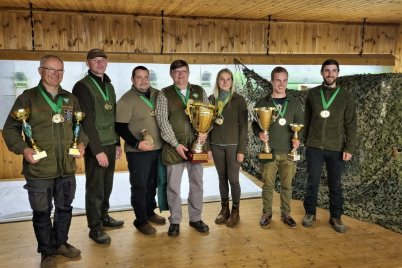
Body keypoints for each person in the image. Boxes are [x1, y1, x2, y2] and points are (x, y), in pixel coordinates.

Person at [3, 55, 87, 268]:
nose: (55, 74)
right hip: (39, 169)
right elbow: (11, 129)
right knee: (41, 212)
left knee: (65, 209)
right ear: (40, 71)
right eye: (50, 69)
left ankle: (60, 244)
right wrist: (24, 149)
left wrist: (83, 143)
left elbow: (79, 128)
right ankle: (47, 251)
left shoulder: (70, 99)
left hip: (66, 168)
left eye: (60, 70)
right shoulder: (27, 98)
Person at [72, 48, 123, 244]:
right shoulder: (82, 86)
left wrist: (117, 142)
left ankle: (104, 217)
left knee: (107, 185)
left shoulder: (108, 85)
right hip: (96, 145)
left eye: (103, 60)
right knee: (94, 188)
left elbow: (113, 115)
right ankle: (95, 228)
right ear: (88, 63)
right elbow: (87, 121)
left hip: (110, 141)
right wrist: (98, 150)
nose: (100, 63)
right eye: (95, 60)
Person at [156, 60, 209, 237]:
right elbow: (162, 121)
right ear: (171, 74)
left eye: (184, 71)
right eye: (177, 72)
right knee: (173, 187)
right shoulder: (165, 94)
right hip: (174, 148)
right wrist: (176, 145)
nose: (180, 75)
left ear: (188, 72)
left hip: (197, 147)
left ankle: (195, 218)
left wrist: (205, 134)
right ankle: (175, 221)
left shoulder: (200, 92)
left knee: (197, 184)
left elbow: (209, 114)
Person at [302, 59, 356, 233]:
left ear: (338, 73)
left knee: (335, 185)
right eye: (327, 70)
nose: (330, 74)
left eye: (333, 71)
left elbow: (351, 124)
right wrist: (306, 143)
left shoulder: (345, 96)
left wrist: (349, 148)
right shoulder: (312, 94)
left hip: (337, 148)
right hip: (314, 147)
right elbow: (307, 120)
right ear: (321, 72)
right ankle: (310, 213)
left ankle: (336, 217)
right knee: (312, 183)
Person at [115, 66, 166, 235]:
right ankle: (141, 220)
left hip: (158, 149)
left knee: (152, 184)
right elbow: (120, 127)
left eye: (146, 77)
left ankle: (150, 212)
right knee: (140, 186)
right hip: (138, 152)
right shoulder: (126, 100)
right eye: (139, 77)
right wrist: (137, 144)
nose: (143, 81)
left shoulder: (158, 94)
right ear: (132, 79)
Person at [252, 66, 304, 229]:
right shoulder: (262, 102)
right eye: (278, 80)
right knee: (268, 185)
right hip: (269, 152)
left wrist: (298, 140)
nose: (281, 84)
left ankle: (286, 213)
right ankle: (266, 213)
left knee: (287, 186)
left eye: (284, 80)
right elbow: (254, 123)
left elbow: (300, 126)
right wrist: (259, 133)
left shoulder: (294, 103)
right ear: (272, 81)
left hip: (288, 153)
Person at [208, 68, 248, 227]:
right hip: (215, 144)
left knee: (233, 179)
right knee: (222, 178)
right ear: (217, 81)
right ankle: (224, 209)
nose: (225, 82)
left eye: (228, 79)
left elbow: (244, 127)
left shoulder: (239, 100)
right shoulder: (211, 99)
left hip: (233, 146)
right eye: (222, 79)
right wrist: (207, 147)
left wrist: (241, 150)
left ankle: (235, 211)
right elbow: (206, 125)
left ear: (232, 82)